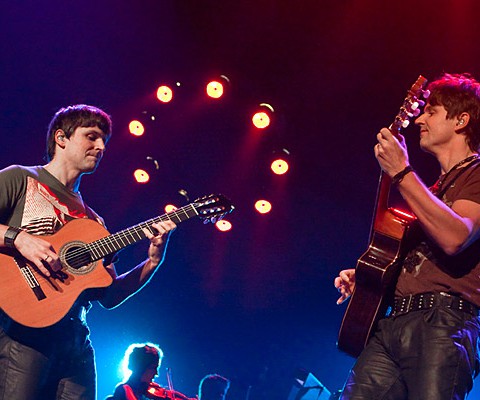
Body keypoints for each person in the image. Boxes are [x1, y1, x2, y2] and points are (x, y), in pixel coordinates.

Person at [0, 104, 177, 400]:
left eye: (104, 142)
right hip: (23, 334)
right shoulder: (21, 179)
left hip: (76, 342)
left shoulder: (94, 223)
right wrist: (18, 238)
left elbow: (108, 296)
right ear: (61, 138)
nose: (100, 147)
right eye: (91, 137)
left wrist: (152, 262)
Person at [334, 73, 480, 399]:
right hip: (393, 322)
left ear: (461, 120)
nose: (419, 120)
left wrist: (402, 172)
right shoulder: (432, 192)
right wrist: (371, 278)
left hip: (444, 324)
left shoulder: (477, 173)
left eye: (431, 111)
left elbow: (455, 236)